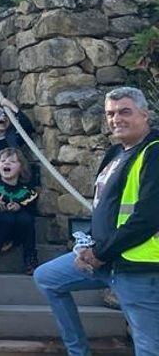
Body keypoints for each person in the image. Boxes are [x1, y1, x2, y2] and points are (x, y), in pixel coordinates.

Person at [35, 87, 159, 356]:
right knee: (47, 278)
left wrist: (100, 253)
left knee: (149, 348)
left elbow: (148, 218)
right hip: (105, 258)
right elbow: (104, 209)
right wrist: (86, 246)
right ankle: (78, 352)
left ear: (144, 115)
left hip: (139, 266)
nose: (117, 119)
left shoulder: (154, 153)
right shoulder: (115, 153)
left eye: (125, 112)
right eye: (111, 114)